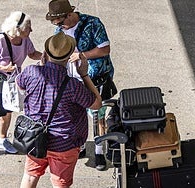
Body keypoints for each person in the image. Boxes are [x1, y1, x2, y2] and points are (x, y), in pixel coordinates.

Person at [17, 31, 102, 188]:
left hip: (34, 138)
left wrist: (42, 67)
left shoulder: (30, 72)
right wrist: (84, 75)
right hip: (64, 144)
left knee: (29, 177)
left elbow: (19, 85)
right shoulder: (73, 86)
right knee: (60, 184)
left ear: (46, 53)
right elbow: (97, 103)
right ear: (69, 56)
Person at [46, 0, 115, 171]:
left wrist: (81, 55)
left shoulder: (93, 23)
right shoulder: (59, 29)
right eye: (56, 24)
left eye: (61, 22)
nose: (60, 26)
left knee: (97, 114)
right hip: (70, 80)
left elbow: (104, 49)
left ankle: (99, 151)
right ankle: (81, 146)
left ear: (69, 14)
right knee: (76, 114)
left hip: (94, 78)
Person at [0, 11, 42, 162]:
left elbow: (32, 54)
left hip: (10, 84)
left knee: (7, 112)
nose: (31, 30)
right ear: (17, 29)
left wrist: (47, 56)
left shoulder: (25, 40)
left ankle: (2, 138)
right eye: (28, 27)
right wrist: (3, 68)